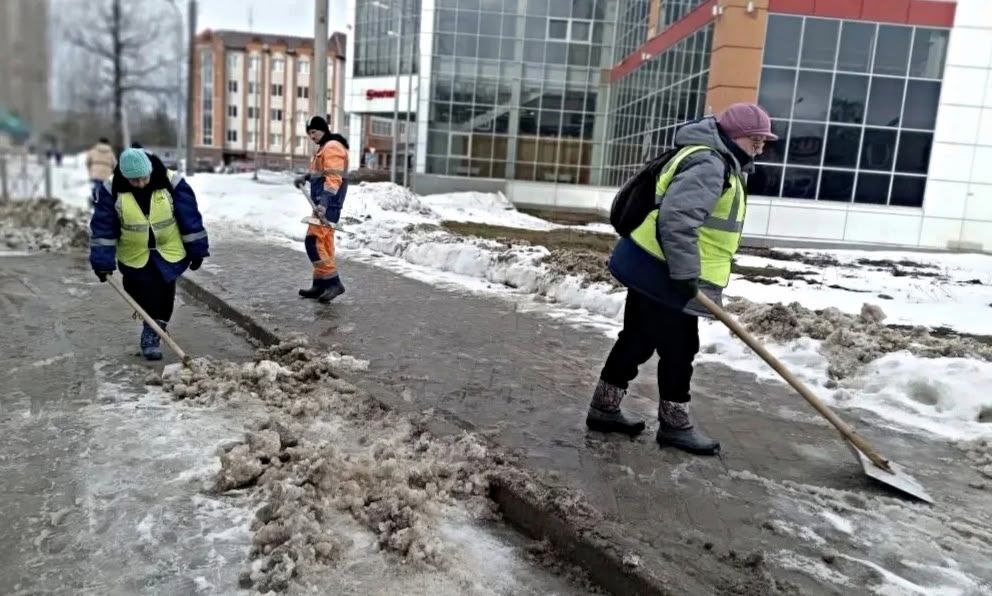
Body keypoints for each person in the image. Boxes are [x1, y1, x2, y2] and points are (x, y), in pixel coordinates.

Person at [586, 102, 777, 455]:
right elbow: (677, 220)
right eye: (756, 140)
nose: (760, 147)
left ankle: (604, 407)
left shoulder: (712, 159)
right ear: (736, 137)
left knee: (638, 339)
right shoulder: (709, 164)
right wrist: (687, 274)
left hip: (653, 265)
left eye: (763, 141)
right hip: (668, 272)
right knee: (679, 349)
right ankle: (675, 425)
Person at [89, 148, 210, 360]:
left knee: (163, 292)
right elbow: (103, 228)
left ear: (150, 170)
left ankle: (153, 332)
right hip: (134, 253)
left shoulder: (171, 182)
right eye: (134, 181)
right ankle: (153, 324)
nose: (141, 184)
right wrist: (102, 261)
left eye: (144, 178)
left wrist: (197, 249)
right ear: (125, 177)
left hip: (168, 250)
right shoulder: (112, 190)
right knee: (136, 289)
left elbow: (189, 217)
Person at [294, 116, 349, 303]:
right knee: (323, 244)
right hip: (322, 205)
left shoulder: (332, 147)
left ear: (323, 129)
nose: (311, 136)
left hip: (328, 205)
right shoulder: (324, 148)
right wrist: (306, 177)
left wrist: (324, 203)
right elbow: (321, 174)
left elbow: (334, 178)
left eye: (313, 132)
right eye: (309, 133)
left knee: (313, 241)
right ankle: (320, 283)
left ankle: (333, 283)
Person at [86, 137, 116, 206]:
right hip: (106, 172)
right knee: (104, 187)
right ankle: (102, 201)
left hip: (95, 171)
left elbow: (88, 161)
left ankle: (95, 199)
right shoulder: (110, 152)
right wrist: (111, 171)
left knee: (96, 186)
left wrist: (90, 169)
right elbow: (114, 163)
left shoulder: (93, 150)